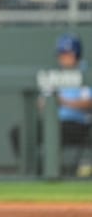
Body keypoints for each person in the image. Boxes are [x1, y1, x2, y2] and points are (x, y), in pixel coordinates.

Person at [10, 33, 92, 176]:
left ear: (76, 54)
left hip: (79, 125)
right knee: (19, 132)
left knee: (59, 130)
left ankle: (58, 171)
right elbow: (42, 102)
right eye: (61, 54)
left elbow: (89, 102)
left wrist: (64, 102)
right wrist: (48, 103)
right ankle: (36, 171)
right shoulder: (55, 74)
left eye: (67, 54)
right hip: (54, 123)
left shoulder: (86, 73)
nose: (63, 58)